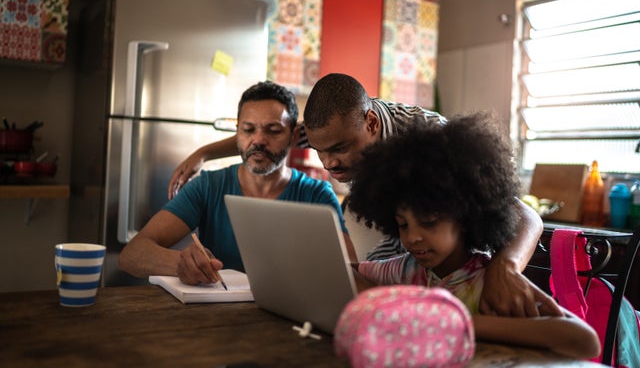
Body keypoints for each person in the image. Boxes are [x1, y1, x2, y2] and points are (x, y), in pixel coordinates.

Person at [166, 73, 553, 317]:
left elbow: (527, 217)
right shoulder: (329, 128)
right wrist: (203, 152)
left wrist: (506, 268)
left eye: (339, 149)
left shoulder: (427, 135)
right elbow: (266, 136)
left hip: (460, 272)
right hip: (405, 273)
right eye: (320, 151)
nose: (330, 163)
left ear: (370, 122)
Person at [345, 112, 601, 360]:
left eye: (429, 222)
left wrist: (454, 322)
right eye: (403, 225)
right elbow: (345, 272)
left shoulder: (488, 285)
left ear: (465, 218)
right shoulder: (406, 270)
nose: (412, 238)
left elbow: (585, 341)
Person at [119, 81, 357, 285]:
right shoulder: (208, 187)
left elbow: (349, 274)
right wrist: (181, 263)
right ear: (237, 134)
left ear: (294, 136)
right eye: (248, 130)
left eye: (273, 131)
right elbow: (132, 254)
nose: (258, 141)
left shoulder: (316, 195)